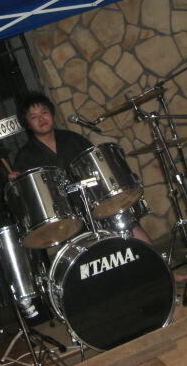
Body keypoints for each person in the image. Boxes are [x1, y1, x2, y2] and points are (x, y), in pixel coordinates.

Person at [10, 93, 158, 251]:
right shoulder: (24, 157)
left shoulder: (73, 139)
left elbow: (95, 165)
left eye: (44, 112)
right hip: (64, 218)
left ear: (52, 114)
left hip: (92, 202)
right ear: (27, 123)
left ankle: (157, 261)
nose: (41, 119)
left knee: (126, 220)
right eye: (33, 117)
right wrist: (16, 183)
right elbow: (24, 197)